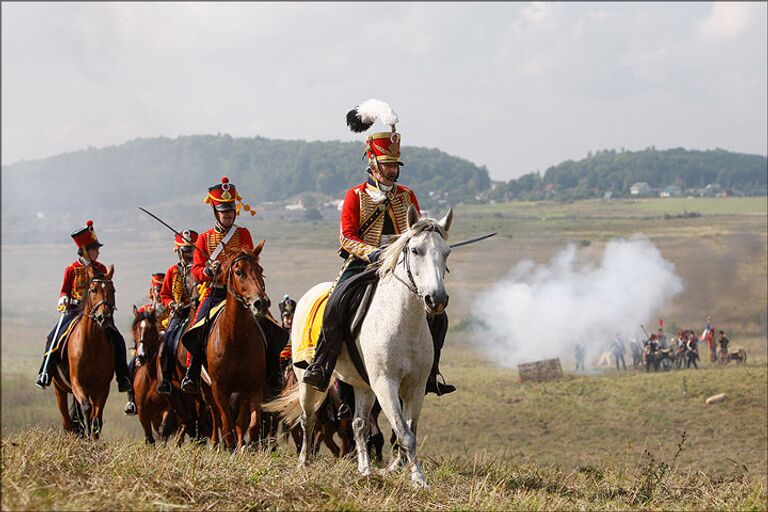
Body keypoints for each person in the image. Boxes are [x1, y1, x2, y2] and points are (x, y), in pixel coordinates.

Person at [302, 99, 455, 396]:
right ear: (373, 164)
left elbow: (417, 233)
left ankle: (431, 372)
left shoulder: (407, 195)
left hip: (401, 265)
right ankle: (322, 363)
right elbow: (345, 238)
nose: (392, 171)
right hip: (364, 263)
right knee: (337, 301)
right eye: (387, 165)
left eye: (395, 165)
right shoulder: (355, 196)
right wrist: (370, 252)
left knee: (439, 314)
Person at [179, 177, 287, 395]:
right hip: (216, 293)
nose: (228, 215)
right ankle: (192, 372)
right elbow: (197, 271)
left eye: (230, 211)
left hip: (243, 294)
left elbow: (247, 261)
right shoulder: (204, 239)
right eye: (223, 212)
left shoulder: (243, 234)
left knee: (271, 325)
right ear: (215, 212)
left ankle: (274, 371)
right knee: (197, 328)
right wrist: (208, 271)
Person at [35, 220, 131, 393]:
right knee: (52, 338)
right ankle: (45, 373)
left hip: (98, 313)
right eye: (95, 248)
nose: (98, 252)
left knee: (118, 339)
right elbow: (64, 290)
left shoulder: (101, 268)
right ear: (85, 250)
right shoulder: (71, 269)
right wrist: (63, 299)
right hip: (74, 311)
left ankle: (122, 377)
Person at [156, 230, 199, 396]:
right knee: (167, 343)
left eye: (191, 251)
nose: (189, 254)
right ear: (179, 252)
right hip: (179, 314)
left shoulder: (199, 270)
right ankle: (166, 380)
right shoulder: (172, 271)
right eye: (186, 251)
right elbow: (164, 295)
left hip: (196, 311)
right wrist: (173, 304)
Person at [278, 295, 297, 373]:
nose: (290, 321)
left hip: (296, 367)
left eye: (292, 318)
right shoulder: (277, 334)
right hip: (280, 369)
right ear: (282, 318)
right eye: (287, 318)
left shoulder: (298, 333)